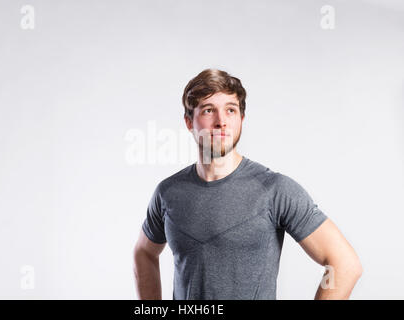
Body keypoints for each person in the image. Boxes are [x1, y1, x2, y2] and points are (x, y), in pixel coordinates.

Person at [133, 69, 362, 300]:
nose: (221, 122)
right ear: (188, 121)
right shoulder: (168, 193)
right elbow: (143, 253)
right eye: (209, 110)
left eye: (230, 110)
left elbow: (344, 264)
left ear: (241, 119)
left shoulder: (275, 190)